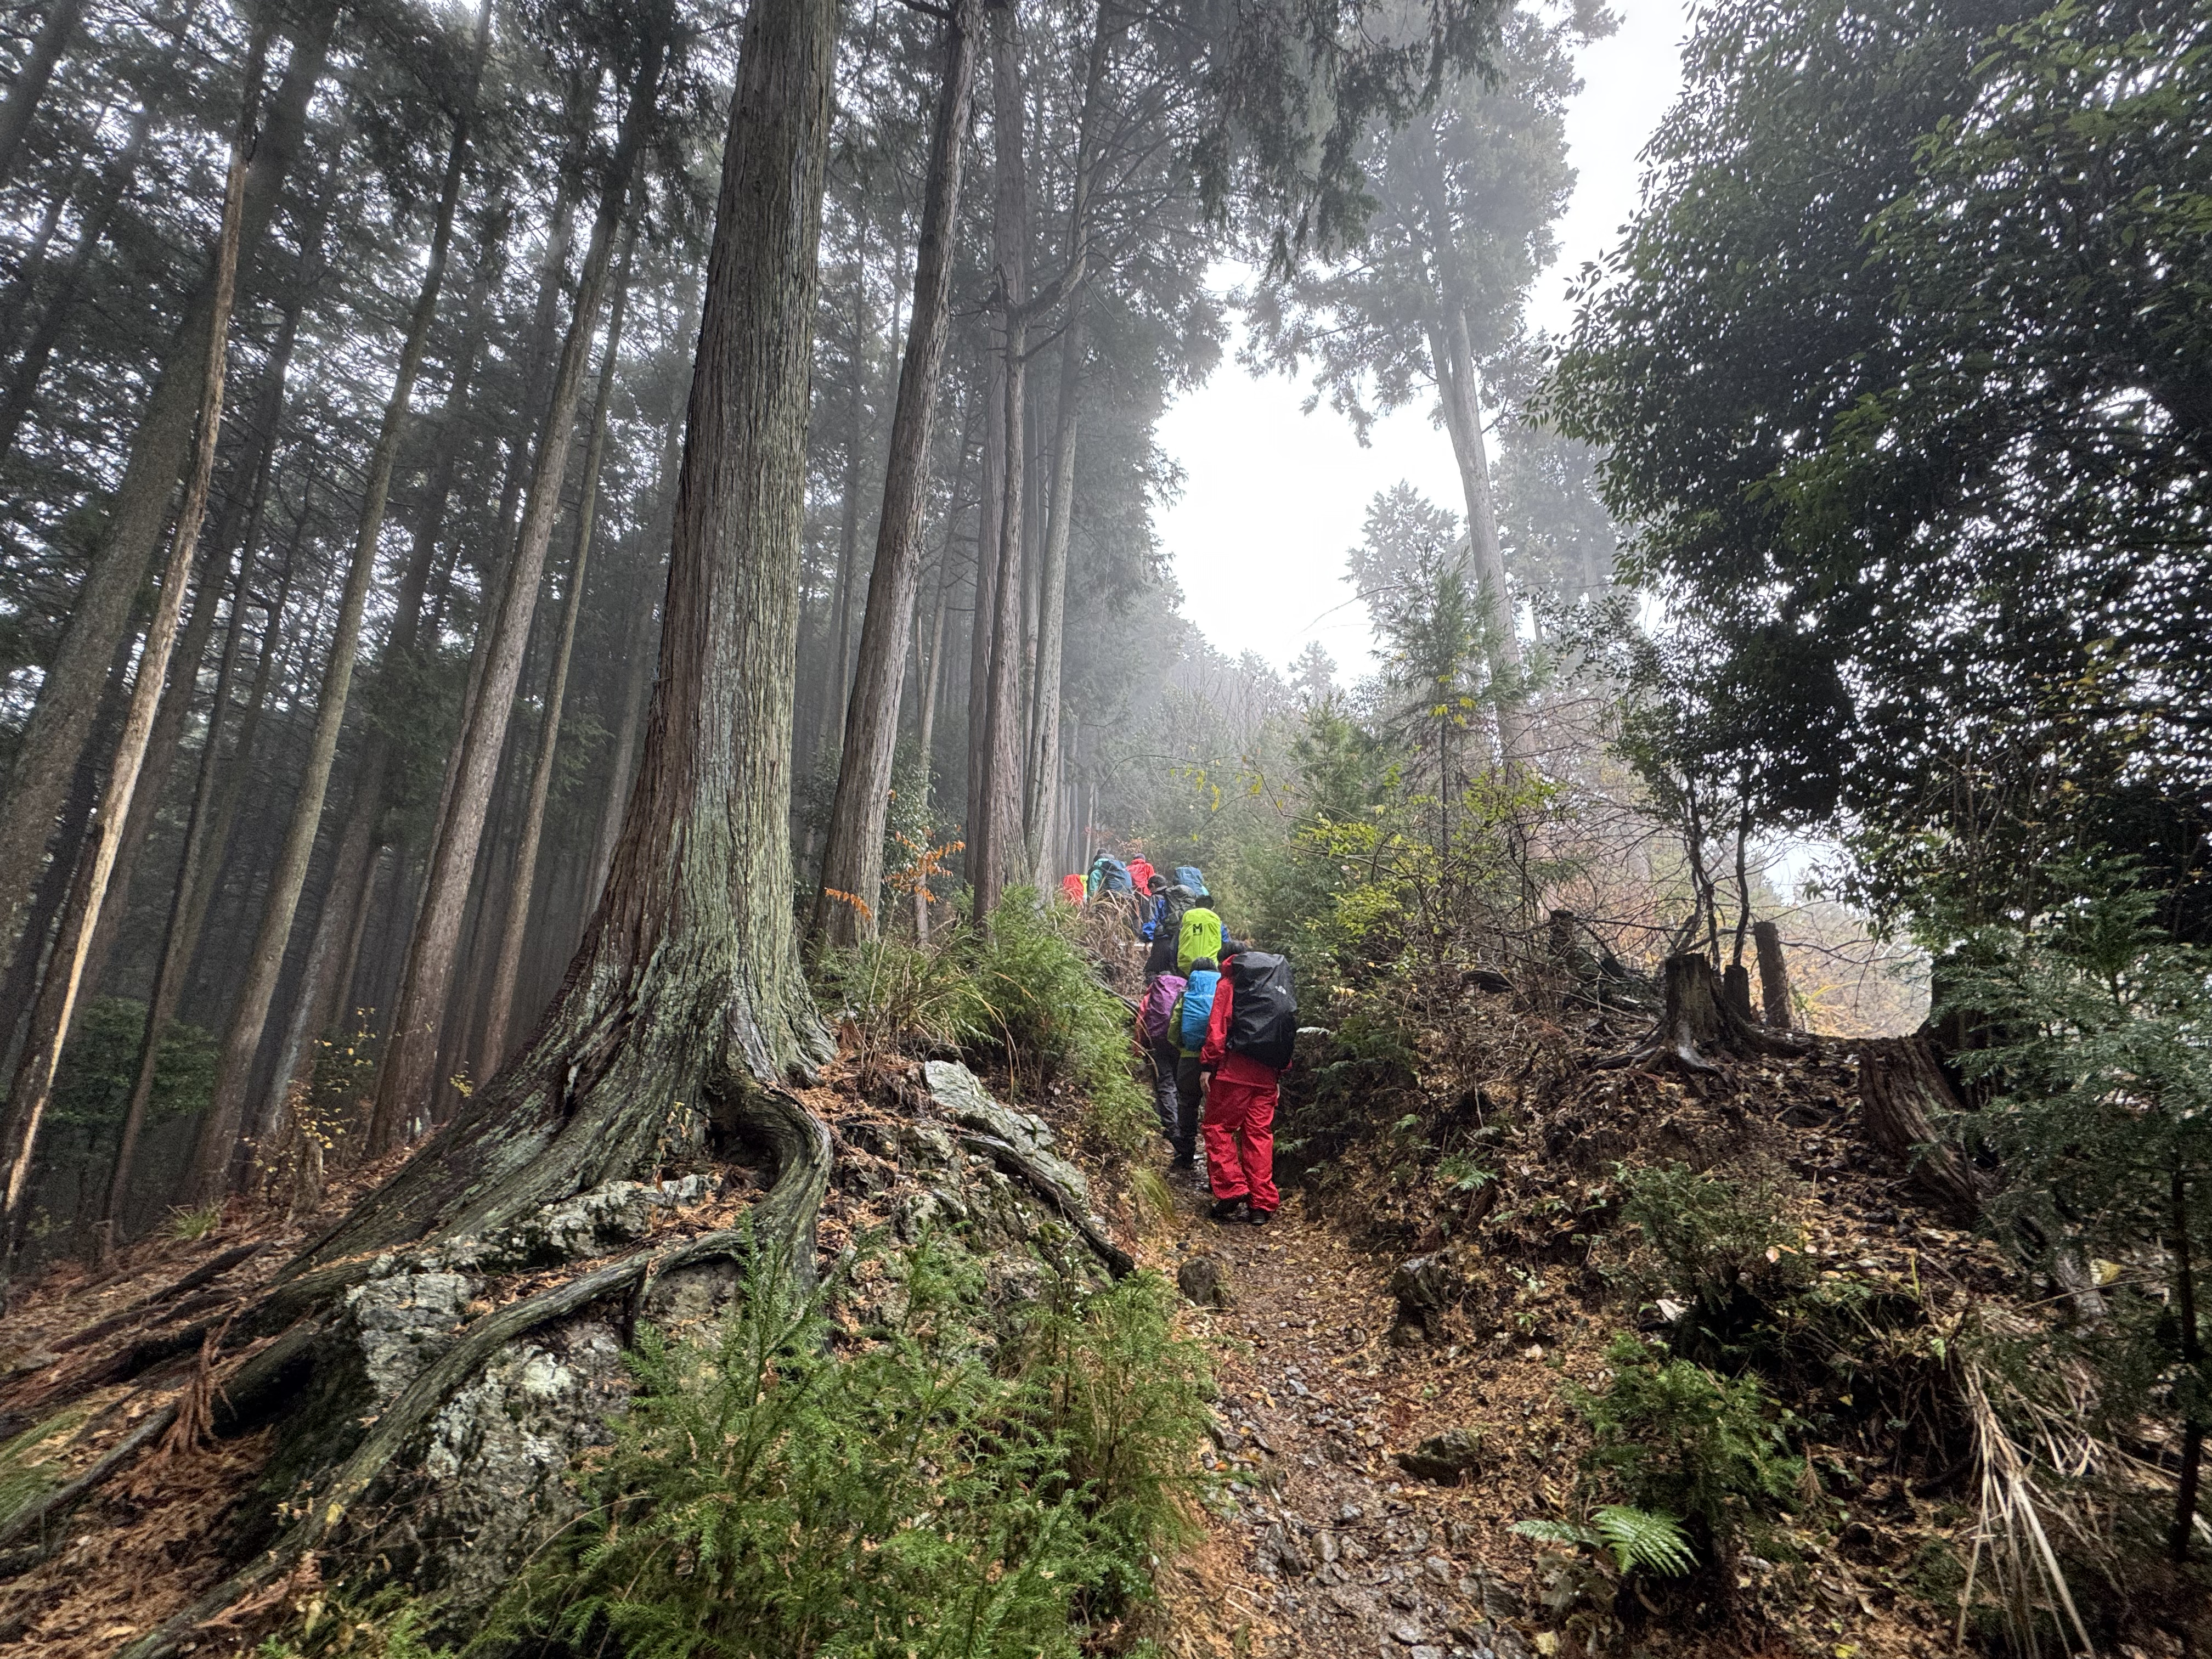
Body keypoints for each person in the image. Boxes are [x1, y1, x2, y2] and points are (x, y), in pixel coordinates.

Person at [1199, 947, 1298, 1225]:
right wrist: (1279, 1072)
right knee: (1258, 1136)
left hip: (1234, 1070)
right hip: (1268, 1074)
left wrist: (1208, 1065)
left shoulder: (1230, 983)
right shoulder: (1274, 986)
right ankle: (1261, 1205)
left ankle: (1232, 1188)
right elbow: (1286, 1029)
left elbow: (1218, 1027)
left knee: (1217, 1128)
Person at [1169, 955, 1221, 1171]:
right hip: (1216, 1060)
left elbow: (1174, 1026)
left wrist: (1182, 1047)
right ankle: (1216, 1164)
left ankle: (1186, 1153)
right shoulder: (1222, 992)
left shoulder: (1188, 994)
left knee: (1187, 1104)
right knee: (1216, 1111)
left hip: (1190, 1058)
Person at [1136, 967, 1188, 1160]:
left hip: (1158, 1042)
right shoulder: (1184, 987)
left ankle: (1172, 1130)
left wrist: (1138, 1047)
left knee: (1165, 1084)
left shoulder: (1154, 990)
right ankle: (1184, 1131)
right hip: (1180, 1043)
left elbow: (1142, 1018)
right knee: (1180, 1086)